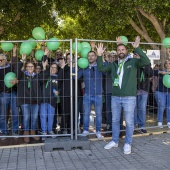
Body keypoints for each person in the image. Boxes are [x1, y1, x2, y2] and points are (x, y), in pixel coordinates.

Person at [97, 36, 150, 154]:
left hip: (129, 98)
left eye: (123, 49)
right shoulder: (113, 64)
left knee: (129, 122)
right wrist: (99, 55)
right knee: (115, 120)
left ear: (126, 51)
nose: (121, 51)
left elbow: (146, 61)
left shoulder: (134, 62)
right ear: (117, 52)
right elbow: (100, 68)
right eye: (119, 50)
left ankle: (128, 143)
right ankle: (115, 141)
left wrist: (137, 48)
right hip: (115, 97)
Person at [16, 53, 48, 143]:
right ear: (26, 67)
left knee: (34, 118)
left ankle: (33, 132)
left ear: (34, 68)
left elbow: (45, 77)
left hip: (35, 101)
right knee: (26, 118)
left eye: (31, 66)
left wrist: (44, 67)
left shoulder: (37, 76)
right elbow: (17, 71)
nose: (30, 68)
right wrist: (22, 60)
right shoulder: (22, 76)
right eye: (28, 66)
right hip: (25, 101)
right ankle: (26, 133)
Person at [76, 51, 104, 140]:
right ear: (87, 57)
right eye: (89, 56)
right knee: (86, 113)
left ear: (96, 57)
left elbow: (107, 73)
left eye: (92, 56)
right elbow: (75, 77)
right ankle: (85, 130)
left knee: (99, 114)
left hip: (98, 94)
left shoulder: (100, 66)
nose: (91, 57)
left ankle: (98, 131)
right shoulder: (84, 67)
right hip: (87, 94)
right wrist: (75, 67)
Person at [0, 50, 19, 139]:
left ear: (5, 60)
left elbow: (17, 75)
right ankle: (4, 131)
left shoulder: (11, 67)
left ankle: (15, 131)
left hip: (13, 93)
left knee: (15, 113)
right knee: (3, 114)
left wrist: (16, 80)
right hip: (3, 94)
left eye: (1, 60)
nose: (0, 62)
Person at [40, 52, 59, 140]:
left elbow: (61, 87)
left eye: (55, 68)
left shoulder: (58, 77)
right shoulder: (46, 74)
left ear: (57, 70)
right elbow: (44, 62)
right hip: (43, 99)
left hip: (52, 100)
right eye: (52, 67)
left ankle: (50, 130)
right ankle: (44, 131)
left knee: (51, 116)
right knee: (43, 115)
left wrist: (59, 91)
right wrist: (45, 55)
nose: (53, 69)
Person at [134, 63, 153, 133]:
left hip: (144, 89)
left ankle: (141, 126)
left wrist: (144, 66)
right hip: (134, 89)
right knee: (133, 108)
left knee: (142, 108)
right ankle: (133, 126)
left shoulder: (146, 64)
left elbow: (150, 74)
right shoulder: (134, 63)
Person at [154, 60, 170, 128]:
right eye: (166, 63)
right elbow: (152, 72)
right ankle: (160, 121)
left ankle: (168, 121)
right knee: (161, 106)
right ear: (164, 64)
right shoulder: (161, 71)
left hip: (169, 92)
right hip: (160, 91)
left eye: (169, 63)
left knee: (169, 107)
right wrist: (160, 72)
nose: (168, 64)